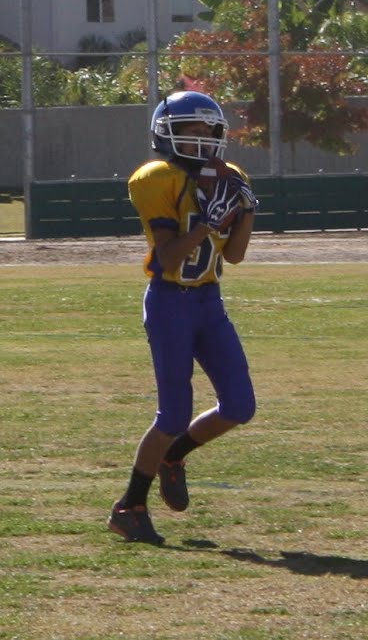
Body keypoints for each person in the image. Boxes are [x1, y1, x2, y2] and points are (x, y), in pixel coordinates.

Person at [107, 90, 259, 545]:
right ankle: (129, 506)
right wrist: (204, 226)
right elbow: (168, 259)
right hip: (170, 301)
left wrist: (247, 212)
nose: (201, 139)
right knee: (172, 413)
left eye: (208, 130)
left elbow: (233, 256)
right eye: (189, 130)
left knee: (239, 406)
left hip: (209, 302)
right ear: (167, 133)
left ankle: (173, 457)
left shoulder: (229, 177)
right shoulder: (157, 177)